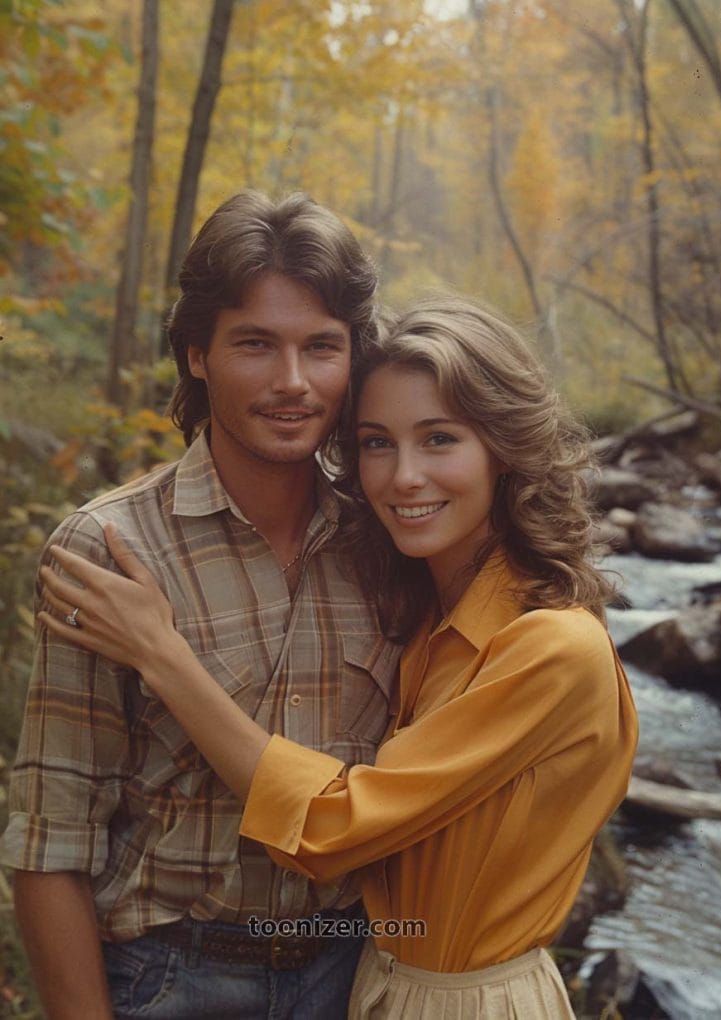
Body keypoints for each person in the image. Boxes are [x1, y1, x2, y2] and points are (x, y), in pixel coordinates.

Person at [37, 295, 638, 1019]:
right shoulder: (422, 611)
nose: (404, 476)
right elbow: (50, 828)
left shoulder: (551, 645)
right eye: (378, 443)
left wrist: (162, 655)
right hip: (354, 981)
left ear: (505, 450)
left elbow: (337, 825)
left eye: (439, 438)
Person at [0, 191, 401, 1020]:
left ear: (353, 358)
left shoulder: (389, 539)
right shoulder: (109, 550)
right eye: (255, 344)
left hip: (355, 973)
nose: (293, 382)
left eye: (321, 347)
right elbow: (50, 841)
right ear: (196, 354)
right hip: (172, 978)